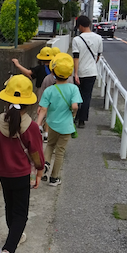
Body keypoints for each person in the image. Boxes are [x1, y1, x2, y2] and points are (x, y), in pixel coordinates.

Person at [0, 75, 45, 253]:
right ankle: (8, 251)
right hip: (20, 174)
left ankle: (15, 235)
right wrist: (39, 171)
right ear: (28, 102)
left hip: (2, 173)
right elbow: (36, 153)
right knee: (21, 213)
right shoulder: (30, 126)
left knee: (10, 205)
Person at [37, 55, 82, 187]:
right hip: (66, 126)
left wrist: (38, 123)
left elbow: (43, 109)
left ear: (53, 72)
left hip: (52, 124)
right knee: (60, 151)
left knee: (50, 145)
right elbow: (75, 106)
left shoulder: (49, 90)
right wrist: (73, 114)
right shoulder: (74, 89)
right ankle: (54, 178)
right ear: (69, 74)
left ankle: (45, 165)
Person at [71, 15, 103, 128]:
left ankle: (75, 117)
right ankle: (82, 121)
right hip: (92, 72)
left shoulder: (76, 40)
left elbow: (76, 57)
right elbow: (98, 56)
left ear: (80, 26)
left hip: (79, 73)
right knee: (87, 96)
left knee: (77, 96)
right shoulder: (98, 38)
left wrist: (75, 73)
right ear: (89, 24)